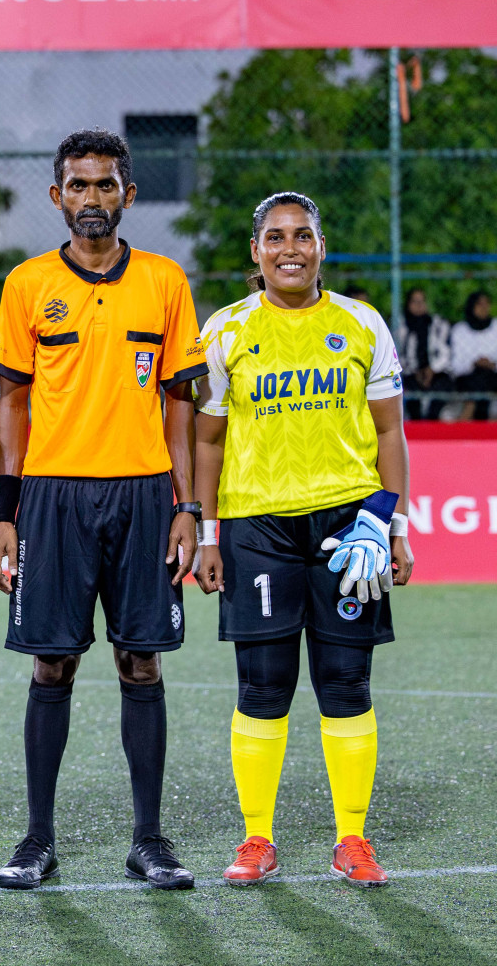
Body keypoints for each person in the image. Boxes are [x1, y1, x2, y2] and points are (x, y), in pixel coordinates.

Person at [0, 128, 206, 891]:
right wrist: (5, 513)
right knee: (53, 663)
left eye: (105, 185)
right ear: (56, 196)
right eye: (77, 186)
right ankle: (37, 838)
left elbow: (180, 405)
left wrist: (188, 507)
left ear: (128, 195)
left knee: (139, 661)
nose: (91, 198)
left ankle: (149, 839)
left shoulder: (166, 283)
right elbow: (10, 403)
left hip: (145, 495)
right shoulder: (26, 287)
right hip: (52, 497)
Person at [193, 191, 413, 889]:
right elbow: (207, 438)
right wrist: (206, 533)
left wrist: (395, 525)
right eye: (277, 237)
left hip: (351, 527)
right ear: (255, 251)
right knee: (263, 685)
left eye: (304, 236)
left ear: (321, 246)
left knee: (346, 681)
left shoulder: (361, 323)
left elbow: (387, 433)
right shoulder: (225, 331)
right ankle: (258, 838)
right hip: (256, 527)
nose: (291, 248)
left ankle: (352, 838)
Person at [395, 288, 452, 421]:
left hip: (436, 371)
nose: (419, 305)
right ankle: (417, 421)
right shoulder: (401, 327)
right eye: (415, 301)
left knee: (444, 384)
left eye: (422, 301)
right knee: (407, 384)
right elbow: (398, 354)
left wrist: (432, 369)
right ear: (408, 304)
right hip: (410, 371)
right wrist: (415, 371)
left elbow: (445, 352)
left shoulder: (438, 325)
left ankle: (433, 421)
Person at [449, 290, 497, 420]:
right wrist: (474, 363)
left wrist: (491, 364)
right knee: (478, 379)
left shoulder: (495, 327)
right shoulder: (460, 330)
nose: (484, 308)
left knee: (486, 376)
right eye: (480, 304)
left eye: (486, 304)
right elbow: (456, 365)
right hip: (468, 377)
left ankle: (471, 414)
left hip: (492, 375)